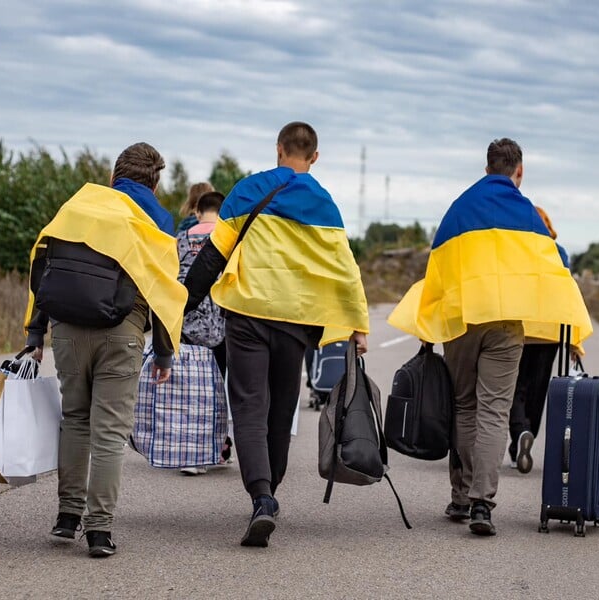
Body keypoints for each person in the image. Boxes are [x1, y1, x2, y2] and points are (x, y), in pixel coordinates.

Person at [388, 138, 592, 536]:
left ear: (486, 168)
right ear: (520, 171)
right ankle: (483, 504)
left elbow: (438, 270)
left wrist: (428, 322)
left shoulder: (460, 208)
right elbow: (554, 268)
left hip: (464, 321)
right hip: (506, 325)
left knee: (464, 405)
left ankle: (461, 498)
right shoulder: (528, 216)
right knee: (495, 410)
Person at [183, 121, 369, 547]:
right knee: (280, 410)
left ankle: (261, 497)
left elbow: (214, 255)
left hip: (247, 314)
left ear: (279, 149)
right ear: (314, 157)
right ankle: (270, 493)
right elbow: (345, 269)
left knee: (249, 405)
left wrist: (181, 308)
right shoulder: (325, 205)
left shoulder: (249, 190)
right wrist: (358, 326)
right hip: (295, 321)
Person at [24, 142, 187, 557]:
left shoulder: (78, 205)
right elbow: (165, 289)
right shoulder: (156, 218)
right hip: (122, 329)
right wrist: (165, 352)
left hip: (66, 330)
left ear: (114, 176)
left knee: (75, 419)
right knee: (110, 432)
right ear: (154, 181)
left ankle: (66, 517)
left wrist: (34, 333)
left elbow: (41, 263)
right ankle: (98, 531)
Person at [508, 206, 568, 473]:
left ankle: (520, 433)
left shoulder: (516, 251)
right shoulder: (560, 254)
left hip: (519, 328)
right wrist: (575, 341)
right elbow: (569, 297)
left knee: (513, 388)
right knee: (538, 390)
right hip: (550, 332)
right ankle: (526, 434)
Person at [175, 190, 230, 476]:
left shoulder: (181, 239)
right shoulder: (228, 239)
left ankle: (188, 452)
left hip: (186, 322)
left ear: (198, 212)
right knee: (216, 389)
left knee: (188, 389)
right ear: (222, 213)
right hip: (221, 326)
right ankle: (216, 448)